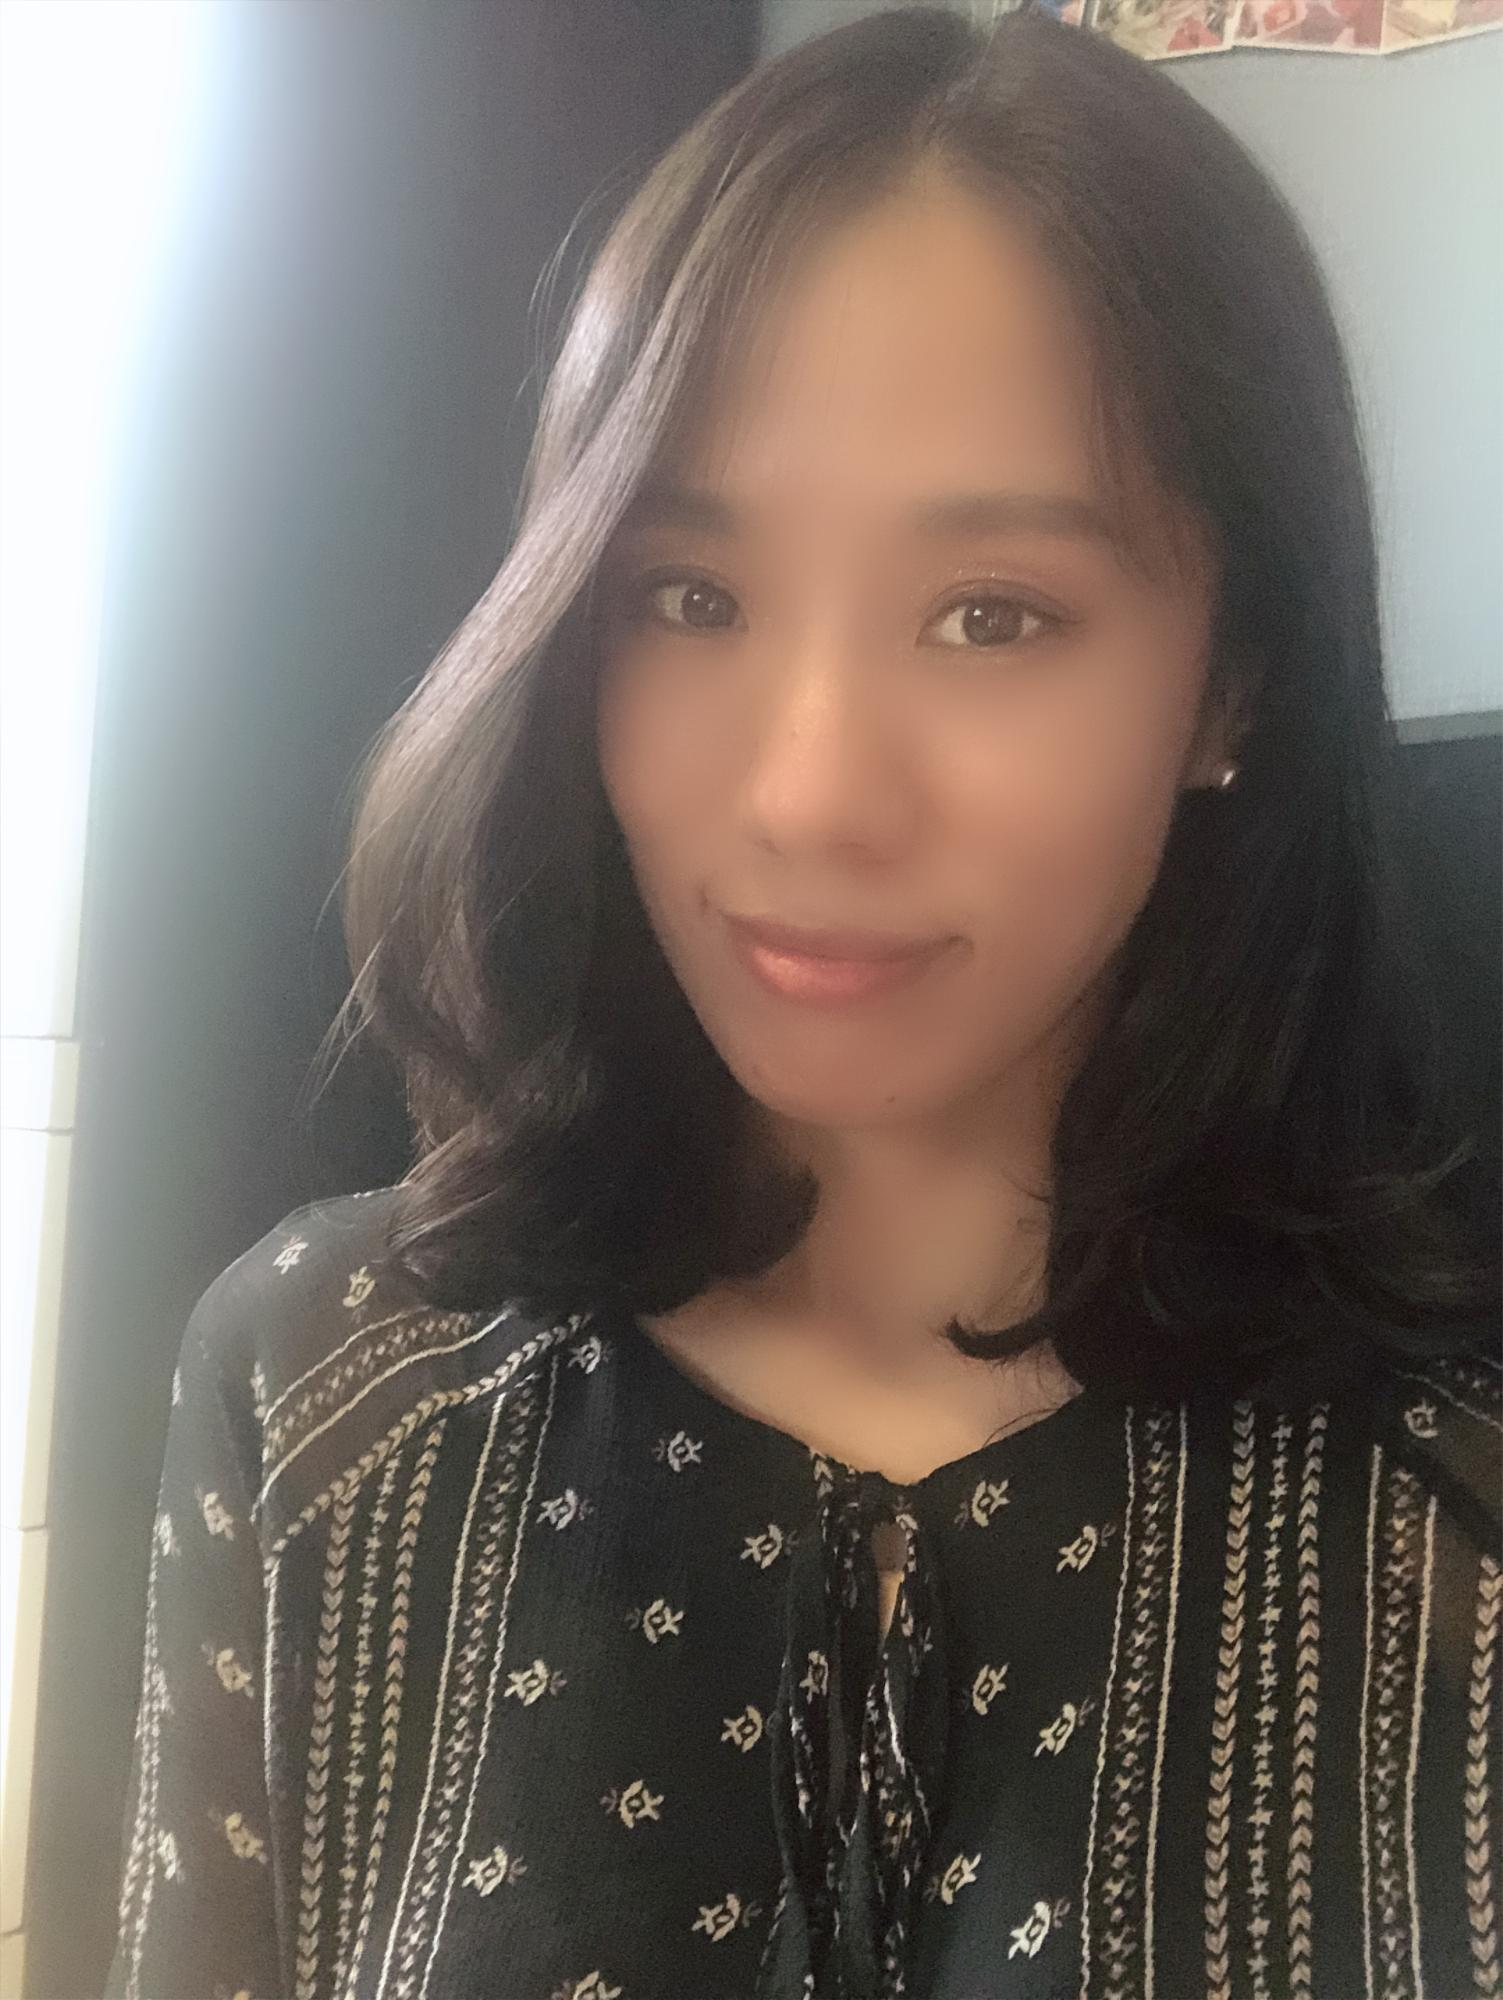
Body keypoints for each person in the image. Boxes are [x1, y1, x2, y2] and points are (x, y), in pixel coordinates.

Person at [104, 6, 1500, 1998]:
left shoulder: (1450, 1528)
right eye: (689, 596)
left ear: (1230, 686)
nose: (807, 793)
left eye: (990, 615)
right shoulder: (323, 1381)